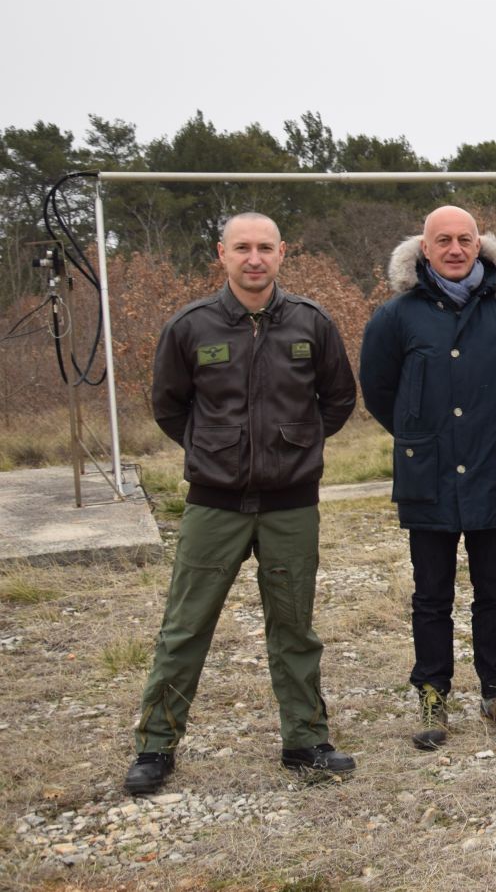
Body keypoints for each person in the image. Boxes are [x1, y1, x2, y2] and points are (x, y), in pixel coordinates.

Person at [124, 212, 357, 794]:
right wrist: (218, 453)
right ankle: (155, 746)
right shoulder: (191, 327)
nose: (254, 259)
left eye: (265, 249)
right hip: (215, 505)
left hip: (290, 505)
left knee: (294, 627)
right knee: (186, 625)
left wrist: (292, 450)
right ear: (221, 255)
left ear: (282, 254)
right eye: (242, 248)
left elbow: (337, 399)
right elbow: (170, 407)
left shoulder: (312, 322)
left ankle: (304, 740)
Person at [359, 206, 496, 749]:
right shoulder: (397, 316)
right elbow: (379, 390)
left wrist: (492, 425)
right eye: (444, 241)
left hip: (494, 467)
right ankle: (433, 692)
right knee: (431, 594)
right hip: (428, 473)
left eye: (465, 239)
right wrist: (421, 433)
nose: (456, 249)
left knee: (494, 591)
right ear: (424, 248)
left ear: (480, 244)